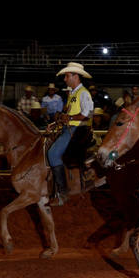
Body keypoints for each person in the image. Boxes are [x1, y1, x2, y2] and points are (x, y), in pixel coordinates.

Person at [46, 62, 94, 206]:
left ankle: (62, 193)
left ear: (75, 76)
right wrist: (58, 121)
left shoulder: (83, 93)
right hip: (70, 128)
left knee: (53, 154)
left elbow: (88, 114)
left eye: (67, 76)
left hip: (77, 130)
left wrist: (70, 118)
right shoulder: (74, 93)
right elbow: (69, 114)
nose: (65, 79)